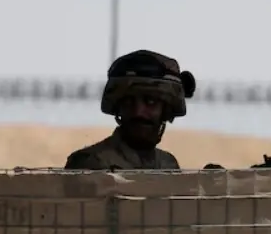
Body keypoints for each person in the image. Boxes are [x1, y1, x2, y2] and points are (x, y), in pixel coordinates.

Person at [64, 50, 196, 170]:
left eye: (150, 102)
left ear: (165, 111)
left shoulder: (168, 165)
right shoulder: (91, 164)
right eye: (128, 102)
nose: (138, 112)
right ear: (118, 108)